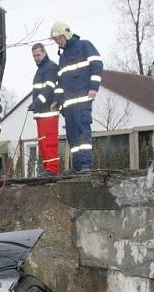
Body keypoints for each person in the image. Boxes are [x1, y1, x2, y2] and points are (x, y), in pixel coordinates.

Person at [50, 21, 103, 173]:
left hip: (82, 101)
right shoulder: (63, 56)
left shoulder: (84, 46)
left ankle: (86, 165)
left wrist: (93, 88)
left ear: (66, 34)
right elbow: (60, 82)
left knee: (82, 132)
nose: (57, 42)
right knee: (72, 136)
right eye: (55, 40)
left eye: (58, 38)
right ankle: (78, 166)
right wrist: (57, 101)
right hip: (68, 105)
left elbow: (97, 65)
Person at [28, 43, 60, 176]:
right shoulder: (41, 70)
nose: (36, 58)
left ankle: (53, 168)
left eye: (38, 55)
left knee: (49, 141)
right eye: (34, 56)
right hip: (40, 113)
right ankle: (48, 167)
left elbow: (48, 89)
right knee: (42, 142)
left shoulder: (50, 67)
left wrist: (36, 103)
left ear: (44, 53)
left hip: (48, 111)